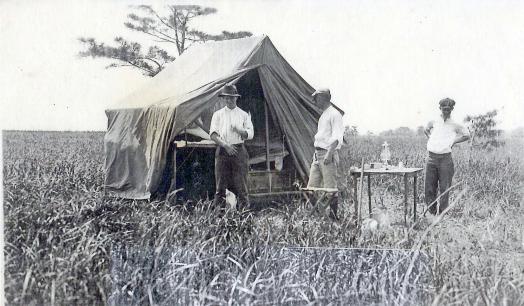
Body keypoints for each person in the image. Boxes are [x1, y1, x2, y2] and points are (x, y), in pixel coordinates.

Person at [209, 84, 254, 210]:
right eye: (226, 98)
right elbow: (213, 134)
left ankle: (244, 219)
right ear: (223, 99)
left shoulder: (244, 115)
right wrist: (225, 145)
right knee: (220, 187)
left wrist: (240, 130)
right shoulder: (218, 115)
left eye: (232, 98)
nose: (229, 100)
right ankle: (219, 218)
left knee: (242, 187)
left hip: (239, 150)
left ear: (236, 98)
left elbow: (250, 134)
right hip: (223, 150)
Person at [424, 97, 470, 215]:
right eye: (444, 109)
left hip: (445, 159)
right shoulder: (434, 121)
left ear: (452, 109)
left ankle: (442, 213)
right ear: (440, 108)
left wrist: (453, 142)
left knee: (445, 188)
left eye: (449, 109)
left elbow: (466, 135)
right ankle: (431, 212)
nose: (446, 111)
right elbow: (426, 130)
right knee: (429, 187)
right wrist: (432, 140)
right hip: (431, 158)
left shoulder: (455, 123)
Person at [307, 88, 344, 220]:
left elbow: (337, 136)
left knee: (330, 190)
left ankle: (333, 218)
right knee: (311, 189)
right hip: (317, 154)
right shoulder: (324, 115)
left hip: (327, 154)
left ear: (323, 98)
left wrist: (329, 153)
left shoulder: (335, 114)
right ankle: (320, 214)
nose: (315, 101)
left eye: (316, 98)